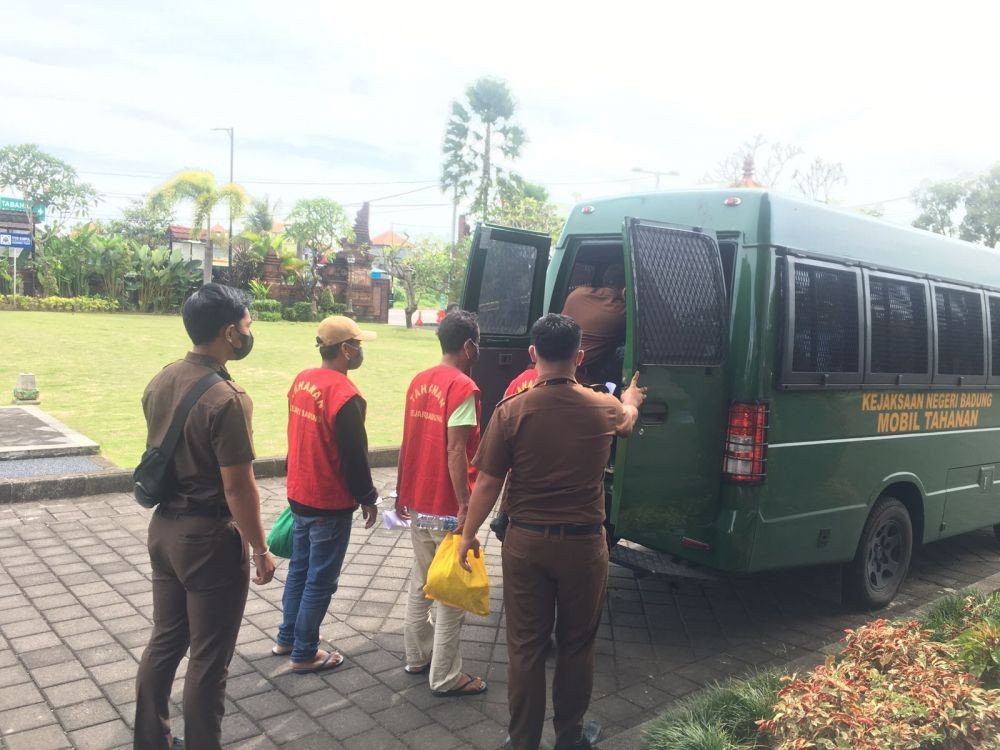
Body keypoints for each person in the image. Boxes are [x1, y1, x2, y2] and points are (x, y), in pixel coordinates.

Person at [458, 313, 645, 750]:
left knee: (525, 647)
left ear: (532, 354)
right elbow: (628, 420)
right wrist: (632, 397)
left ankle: (521, 740)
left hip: (525, 544)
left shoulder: (512, 411)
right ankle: (570, 737)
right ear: (579, 357)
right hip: (583, 546)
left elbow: (487, 482)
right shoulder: (604, 407)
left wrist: (468, 535)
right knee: (578, 645)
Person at [135, 283, 276, 750]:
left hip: (164, 530)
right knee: (209, 661)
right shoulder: (227, 399)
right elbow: (238, 487)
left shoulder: (162, 378)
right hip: (208, 538)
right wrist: (260, 549)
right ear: (229, 332)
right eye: (247, 325)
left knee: (165, 641)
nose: (249, 333)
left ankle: (151, 740)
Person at [272, 316, 380, 673]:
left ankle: (287, 637)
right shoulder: (345, 395)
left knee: (300, 571)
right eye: (359, 345)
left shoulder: (303, 380)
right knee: (320, 578)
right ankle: (305, 652)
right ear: (346, 351)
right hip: (327, 501)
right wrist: (368, 497)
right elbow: (354, 457)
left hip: (299, 493)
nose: (362, 351)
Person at [395, 309, 488, 697]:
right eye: (477, 344)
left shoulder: (420, 380)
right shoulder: (463, 387)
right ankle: (446, 676)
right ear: (469, 345)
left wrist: (402, 492)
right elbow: (455, 451)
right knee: (450, 589)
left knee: (422, 580)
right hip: (447, 506)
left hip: (418, 499)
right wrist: (466, 505)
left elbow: (410, 440)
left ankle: (417, 656)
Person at [560, 266, 627, 385]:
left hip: (556, 369)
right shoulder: (619, 312)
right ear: (624, 288)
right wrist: (625, 297)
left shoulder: (576, 294)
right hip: (578, 378)